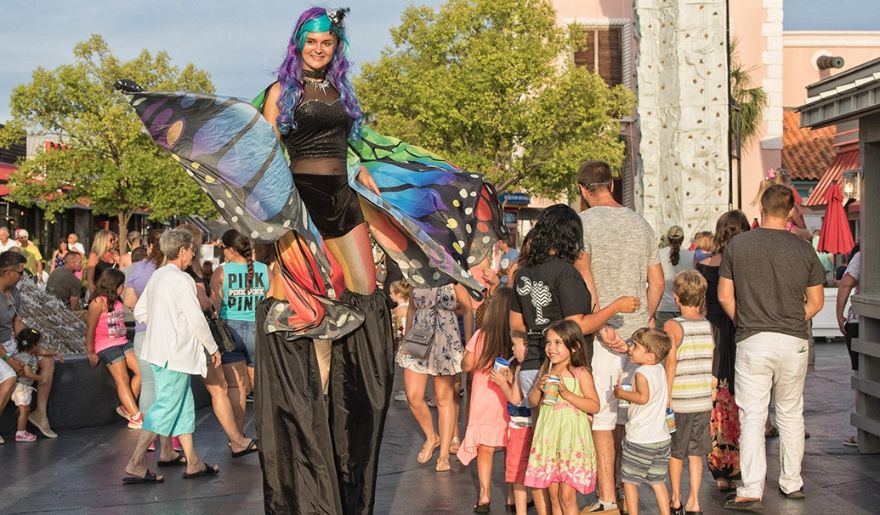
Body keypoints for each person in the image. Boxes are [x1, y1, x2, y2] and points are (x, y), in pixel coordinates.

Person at [719, 184, 825, 509]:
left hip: (753, 338)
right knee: (791, 413)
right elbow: (817, 302)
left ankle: (751, 488)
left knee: (753, 415)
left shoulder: (738, 245)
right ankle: (792, 482)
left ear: (760, 208)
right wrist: (791, 317)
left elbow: (724, 295)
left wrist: (746, 319)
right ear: (791, 211)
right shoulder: (804, 249)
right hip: (793, 338)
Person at [576, 160, 664, 514]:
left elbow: (585, 278)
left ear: (583, 190)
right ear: (611, 183)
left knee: (603, 418)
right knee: (633, 418)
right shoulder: (641, 224)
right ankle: (630, 492)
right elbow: (656, 282)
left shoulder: (583, 224)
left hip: (603, 336)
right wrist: (643, 320)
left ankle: (608, 498)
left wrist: (601, 325)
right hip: (638, 339)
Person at [123, 228, 222, 485]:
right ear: (183, 250)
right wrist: (212, 347)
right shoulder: (181, 280)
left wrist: (161, 324)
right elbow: (195, 318)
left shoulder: (159, 276)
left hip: (160, 351)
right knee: (166, 407)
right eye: (192, 249)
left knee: (183, 406)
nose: (193, 254)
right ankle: (135, 463)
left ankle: (192, 461)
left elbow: (140, 310)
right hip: (175, 354)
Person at [696, 210, 749, 490]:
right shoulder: (746, 265)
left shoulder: (705, 265)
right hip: (741, 330)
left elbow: (700, 307)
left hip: (711, 334)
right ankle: (741, 464)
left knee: (715, 400)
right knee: (743, 398)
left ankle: (719, 467)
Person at [525, 319, 600, 515]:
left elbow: (594, 405)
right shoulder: (546, 369)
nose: (551, 348)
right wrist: (537, 388)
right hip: (550, 440)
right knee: (554, 495)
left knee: (567, 496)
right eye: (549, 343)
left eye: (558, 343)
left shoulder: (580, 373)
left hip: (571, 441)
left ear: (574, 347)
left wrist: (567, 394)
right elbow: (532, 402)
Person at [398, 281, 473, 472]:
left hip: (446, 337)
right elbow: (412, 309)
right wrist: (406, 336)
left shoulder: (453, 279)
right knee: (413, 396)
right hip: (418, 336)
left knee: (443, 397)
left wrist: (470, 344)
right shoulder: (417, 276)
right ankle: (432, 437)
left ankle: (443, 455)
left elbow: (467, 310)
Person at [459, 287, 515, 512]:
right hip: (509, 395)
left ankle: (484, 495)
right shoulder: (515, 337)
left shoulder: (481, 335)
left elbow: (467, 365)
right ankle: (512, 495)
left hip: (484, 398)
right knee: (513, 447)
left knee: (486, 448)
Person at [663, 271, 714, 515]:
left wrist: (667, 396)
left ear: (676, 298)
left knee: (676, 452)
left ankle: (675, 498)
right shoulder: (708, 326)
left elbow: (671, 362)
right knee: (696, 452)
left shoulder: (672, 326)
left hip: (680, 401)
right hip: (702, 400)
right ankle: (695, 500)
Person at [211, 229, 270, 437]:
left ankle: (237, 436)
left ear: (230, 250)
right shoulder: (264, 270)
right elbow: (271, 303)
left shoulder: (221, 272)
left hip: (230, 331)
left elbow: (214, 307)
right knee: (259, 386)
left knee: (236, 387)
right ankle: (265, 433)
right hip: (257, 330)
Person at [614, 328, 672, 515]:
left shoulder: (641, 372)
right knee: (658, 481)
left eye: (636, 346)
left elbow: (643, 397)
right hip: (660, 437)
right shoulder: (660, 369)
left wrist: (621, 393)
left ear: (650, 355)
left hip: (640, 438)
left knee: (630, 481)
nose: (631, 348)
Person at [0, 251, 57, 443]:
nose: (22, 276)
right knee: (10, 376)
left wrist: (31, 344)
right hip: (1, 348)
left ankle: (40, 414)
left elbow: (17, 322)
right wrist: (9, 359)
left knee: (47, 360)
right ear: (8, 272)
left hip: (9, 343)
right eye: (20, 272)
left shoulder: (14, 293)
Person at [85, 268, 142, 427]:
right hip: (106, 344)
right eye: (121, 285)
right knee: (122, 378)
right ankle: (136, 416)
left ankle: (126, 408)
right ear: (113, 285)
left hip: (122, 341)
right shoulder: (97, 302)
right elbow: (90, 328)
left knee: (142, 371)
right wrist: (90, 350)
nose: (123, 288)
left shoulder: (117, 301)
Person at [493, 329, 534, 515]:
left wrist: (502, 383)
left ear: (526, 347)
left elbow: (515, 400)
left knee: (517, 471)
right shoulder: (534, 367)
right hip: (534, 426)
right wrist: (510, 380)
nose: (512, 348)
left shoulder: (521, 368)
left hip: (519, 426)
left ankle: (521, 511)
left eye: (515, 345)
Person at [10, 328, 55, 442]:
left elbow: (44, 353)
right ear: (33, 346)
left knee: (25, 409)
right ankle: (21, 432)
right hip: (22, 388)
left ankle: (21, 431)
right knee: (24, 411)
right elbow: (28, 374)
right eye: (38, 344)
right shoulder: (25, 358)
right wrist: (41, 378)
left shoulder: (26, 353)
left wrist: (55, 354)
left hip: (23, 388)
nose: (40, 346)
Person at [837, 250, 861, 447]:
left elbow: (846, 283)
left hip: (860, 323)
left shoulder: (864, 255)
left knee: (862, 377)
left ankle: (864, 433)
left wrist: (839, 314)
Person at [656, 226, 694, 328]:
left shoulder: (658, 254)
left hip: (663, 305)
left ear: (668, 238)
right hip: (683, 305)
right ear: (683, 239)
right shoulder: (690, 255)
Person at [87, 229, 118, 294]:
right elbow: (90, 279)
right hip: (99, 291)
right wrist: (94, 293)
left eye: (114, 240)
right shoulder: (95, 255)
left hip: (113, 292)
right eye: (111, 240)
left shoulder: (115, 255)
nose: (113, 242)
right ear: (103, 241)